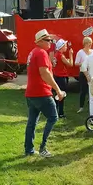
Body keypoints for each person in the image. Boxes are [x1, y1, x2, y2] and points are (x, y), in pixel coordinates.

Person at [24, 29, 64, 157]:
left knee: (32, 122)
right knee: (53, 117)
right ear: (40, 41)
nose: (50, 42)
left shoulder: (33, 52)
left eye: (51, 40)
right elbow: (44, 73)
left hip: (31, 93)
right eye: (47, 40)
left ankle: (29, 149)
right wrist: (57, 89)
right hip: (41, 92)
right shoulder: (41, 53)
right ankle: (43, 148)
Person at [74, 37, 93, 112]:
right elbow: (76, 63)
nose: (90, 45)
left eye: (91, 43)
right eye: (89, 43)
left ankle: (92, 106)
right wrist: (83, 63)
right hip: (83, 73)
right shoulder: (80, 52)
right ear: (85, 44)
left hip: (91, 72)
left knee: (92, 90)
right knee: (83, 90)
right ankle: (81, 107)